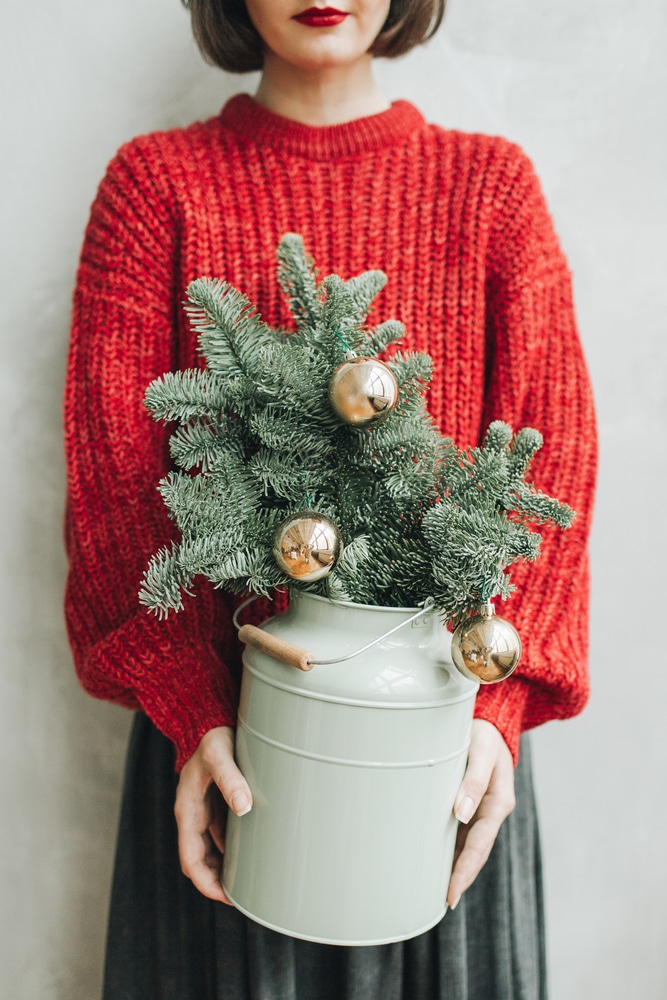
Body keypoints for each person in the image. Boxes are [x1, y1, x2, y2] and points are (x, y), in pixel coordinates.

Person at [64, 1, 597, 997]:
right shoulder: (155, 187)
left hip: (444, 750)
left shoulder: (492, 190)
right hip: (224, 764)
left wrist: (499, 703)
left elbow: (550, 459)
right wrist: (193, 708)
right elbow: (114, 490)